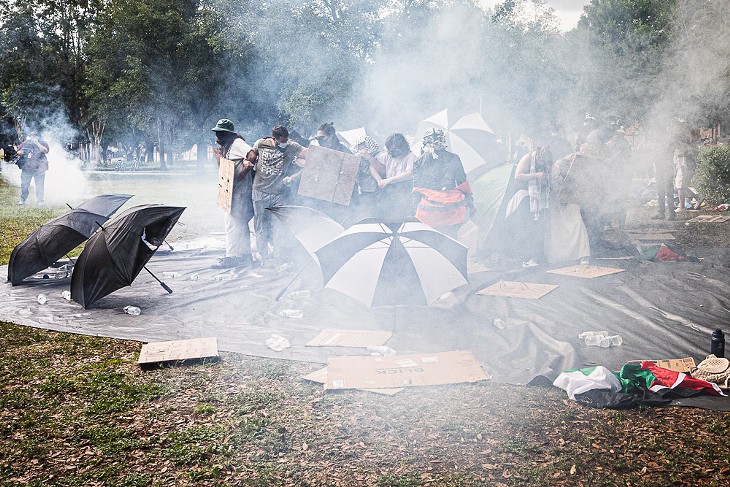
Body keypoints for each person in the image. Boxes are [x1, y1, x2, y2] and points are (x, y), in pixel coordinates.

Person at [250, 125, 308, 265]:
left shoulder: (291, 146)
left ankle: (279, 255)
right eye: (281, 141)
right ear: (274, 139)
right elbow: (251, 155)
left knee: (279, 226)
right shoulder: (261, 143)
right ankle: (263, 256)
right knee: (261, 225)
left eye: (286, 140)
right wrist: (250, 161)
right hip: (260, 192)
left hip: (279, 194)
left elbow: (308, 153)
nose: (284, 143)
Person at [411, 129, 475, 237]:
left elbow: (416, 189)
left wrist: (415, 211)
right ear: (443, 141)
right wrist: (471, 203)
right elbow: (462, 184)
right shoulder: (454, 158)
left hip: (427, 212)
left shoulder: (419, 161)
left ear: (425, 143)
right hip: (452, 210)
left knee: (430, 242)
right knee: (451, 241)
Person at [210, 119, 255, 269]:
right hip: (233, 191)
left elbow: (252, 155)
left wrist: (246, 168)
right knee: (239, 223)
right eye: (217, 132)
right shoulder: (228, 146)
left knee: (233, 223)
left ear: (228, 134)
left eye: (220, 133)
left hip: (240, 191)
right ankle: (245, 255)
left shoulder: (237, 143)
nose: (217, 136)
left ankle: (233, 256)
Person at [504, 145, 553, 265]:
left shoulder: (547, 160)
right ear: (538, 154)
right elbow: (518, 176)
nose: (542, 162)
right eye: (541, 160)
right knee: (526, 227)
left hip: (540, 198)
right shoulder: (527, 158)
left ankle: (538, 255)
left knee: (539, 227)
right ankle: (525, 256)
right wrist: (536, 175)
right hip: (525, 197)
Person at [362, 133, 416, 220]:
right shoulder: (387, 155)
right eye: (391, 150)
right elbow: (372, 166)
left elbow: (409, 173)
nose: (392, 152)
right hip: (389, 190)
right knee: (387, 214)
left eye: (395, 149)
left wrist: (388, 180)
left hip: (405, 189)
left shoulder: (410, 156)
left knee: (402, 215)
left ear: (402, 147)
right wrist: (379, 180)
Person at [16, 131, 50, 206]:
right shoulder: (25, 143)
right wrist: (21, 152)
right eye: (31, 136)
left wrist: (37, 143)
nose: (33, 138)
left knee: (39, 185)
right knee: (24, 185)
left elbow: (45, 151)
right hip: (26, 167)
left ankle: (40, 201)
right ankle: (23, 199)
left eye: (34, 136)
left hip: (39, 168)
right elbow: (18, 152)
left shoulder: (43, 143)